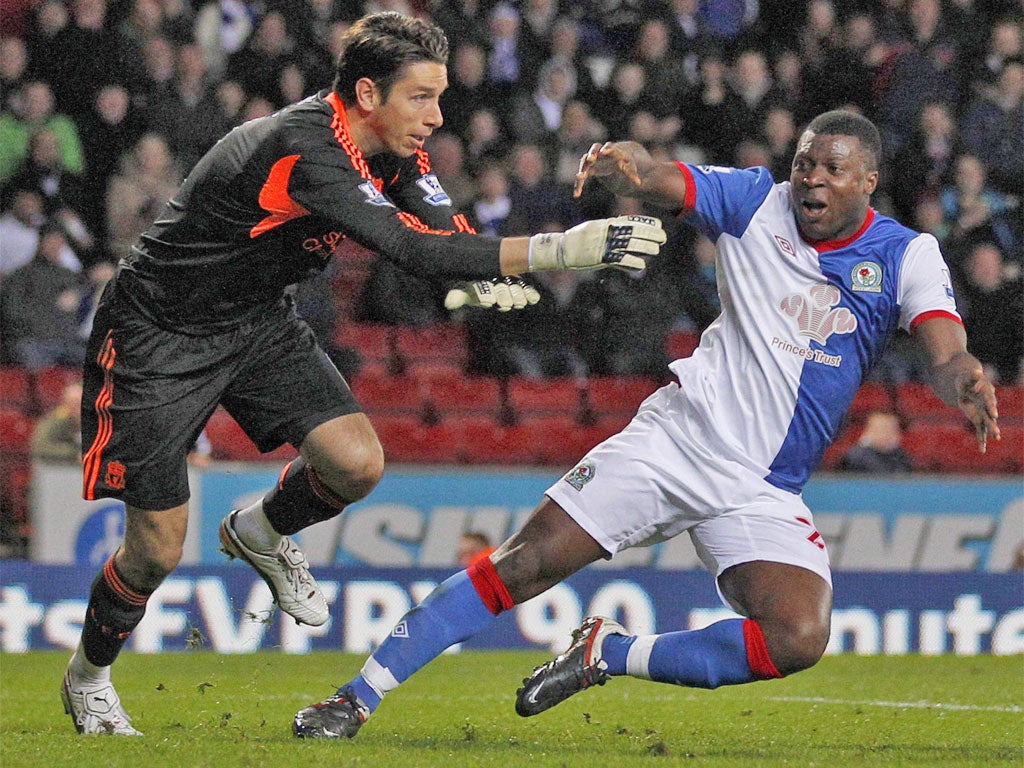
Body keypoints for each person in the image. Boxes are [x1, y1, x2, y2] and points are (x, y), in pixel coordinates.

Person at [289, 110, 1000, 739]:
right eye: (804, 164)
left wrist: (962, 378)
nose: (811, 180)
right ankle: (355, 699)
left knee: (797, 636)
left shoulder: (906, 254)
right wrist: (626, 161)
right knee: (525, 562)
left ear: (868, 181)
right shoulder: (757, 200)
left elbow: (944, 346)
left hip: (764, 489)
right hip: (677, 441)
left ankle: (609, 653)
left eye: (832, 170)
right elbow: (666, 178)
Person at [59, 11, 666, 737]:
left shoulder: (396, 150)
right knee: (155, 550)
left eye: (441, 98)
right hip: (158, 333)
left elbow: (441, 232)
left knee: (355, 463)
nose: (437, 118)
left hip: (256, 321)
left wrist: (476, 270)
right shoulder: (306, 147)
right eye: (422, 98)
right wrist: (559, 250)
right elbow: (411, 250)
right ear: (369, 92)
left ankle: (260, 528)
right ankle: (89, 677)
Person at [838, 411, 914, 474]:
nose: (887, 434)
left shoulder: (901, 457)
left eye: (892, 429)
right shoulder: (855, 457)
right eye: (882, 429)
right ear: (869, 431)